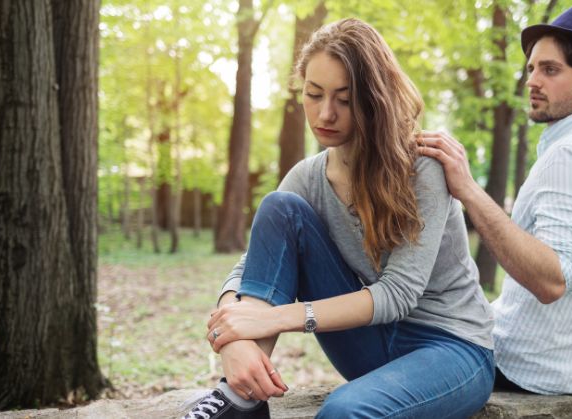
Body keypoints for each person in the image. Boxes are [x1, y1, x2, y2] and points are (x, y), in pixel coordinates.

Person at [183, 18, 495, 419]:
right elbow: (251, 268)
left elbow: (398, 295)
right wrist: (234, 334)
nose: (325, 113)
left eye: (344, 100)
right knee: (279, 208)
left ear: (374, 99)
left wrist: (268, 319)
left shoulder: (423, 168)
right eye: (314, 94)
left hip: (451, 349)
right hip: (367, 344)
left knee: (343, 412)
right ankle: (241, 398)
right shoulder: (307, 178)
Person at [418, 5, 572, 395]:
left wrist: (467, 189)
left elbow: (551, 280)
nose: (532, 81)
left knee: (387, 318)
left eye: (550, 70)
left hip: (531, 367)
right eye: (531, 69)